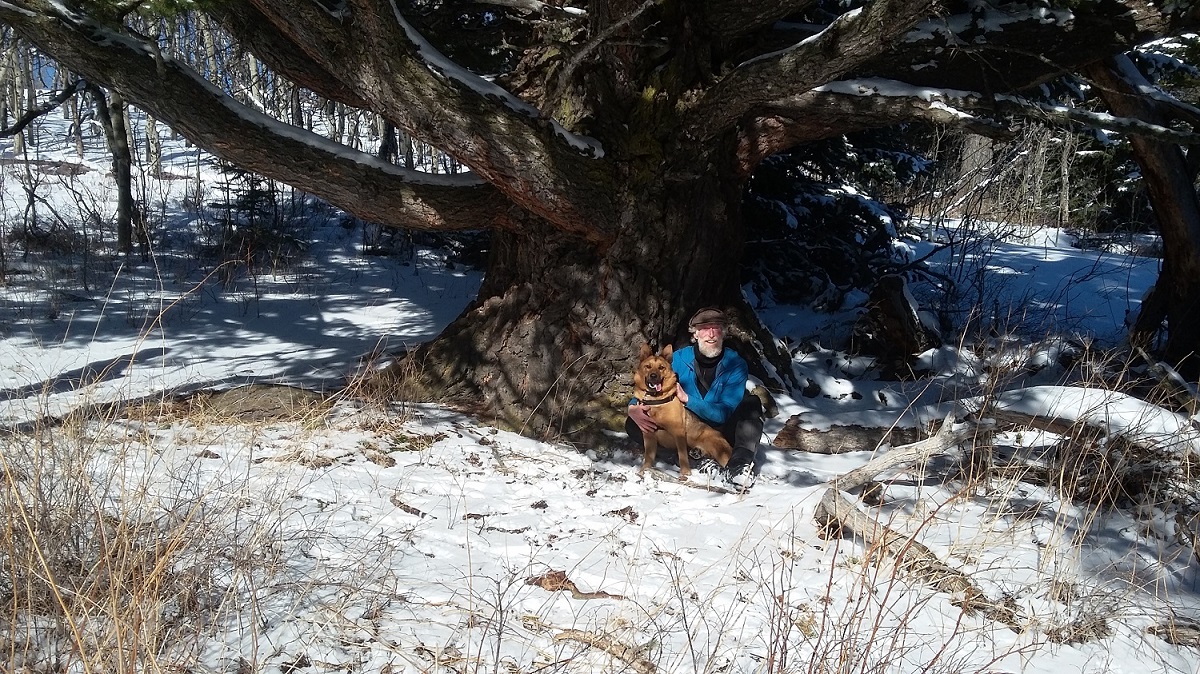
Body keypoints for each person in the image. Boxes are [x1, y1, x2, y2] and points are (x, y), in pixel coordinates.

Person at [626, 307, 763, 488]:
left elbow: (725, 412)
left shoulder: (736, 363)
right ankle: (696, 458)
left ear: (724, 333)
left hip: (724, 426)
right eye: (705, 329)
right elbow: (649, 387)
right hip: (689, 429)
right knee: (634, 424)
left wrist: (688, 399)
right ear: (695, 334)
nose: (711, 334)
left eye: (717, 328)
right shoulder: (679, 358)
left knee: (752, 404)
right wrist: (633, 406)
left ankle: (738, 466)